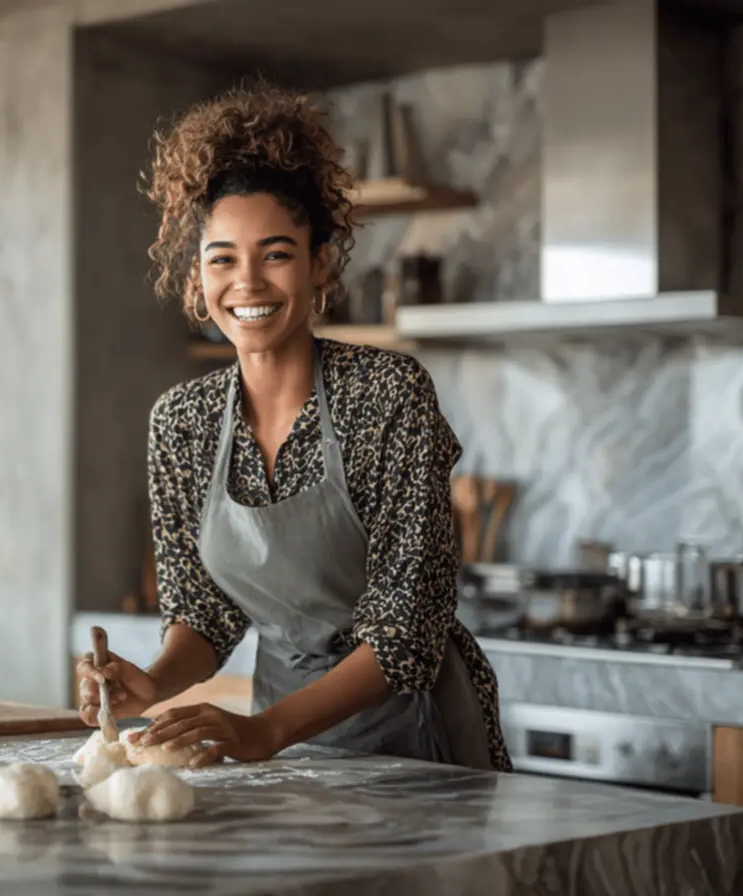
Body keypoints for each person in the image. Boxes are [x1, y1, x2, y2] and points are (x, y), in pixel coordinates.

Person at [76, 81, 512, 773]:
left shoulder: (388, 394)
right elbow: (204, 613)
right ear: (197, 279)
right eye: (222, 258)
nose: (246, 282)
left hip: (419, 749)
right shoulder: (181, 424)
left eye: (275, 253)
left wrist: (266, 733)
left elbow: (408, 633)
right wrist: (154, 681)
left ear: (319, 266)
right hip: (285, 749)